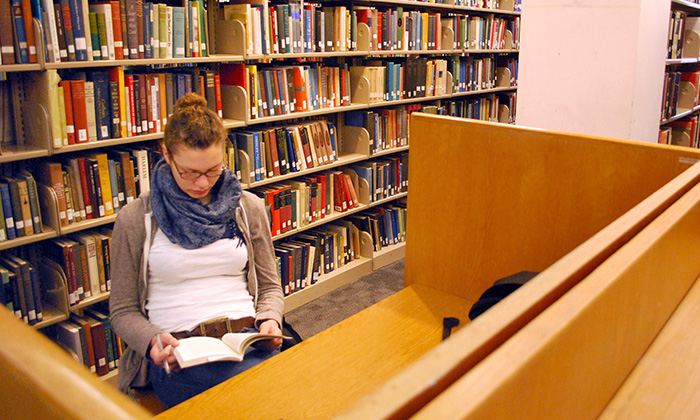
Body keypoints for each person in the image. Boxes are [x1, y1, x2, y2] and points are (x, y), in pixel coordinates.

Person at [110, 93, 284, 409]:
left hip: (245, 338)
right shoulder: (136, 219)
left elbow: (270, 286)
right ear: (166, 156)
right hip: (178, 351)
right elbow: (122, 311)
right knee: (263, 393)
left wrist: (270, 319)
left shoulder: (247, 207)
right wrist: (152, 341)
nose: (202, 184)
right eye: (189, 172)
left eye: (213, 171)